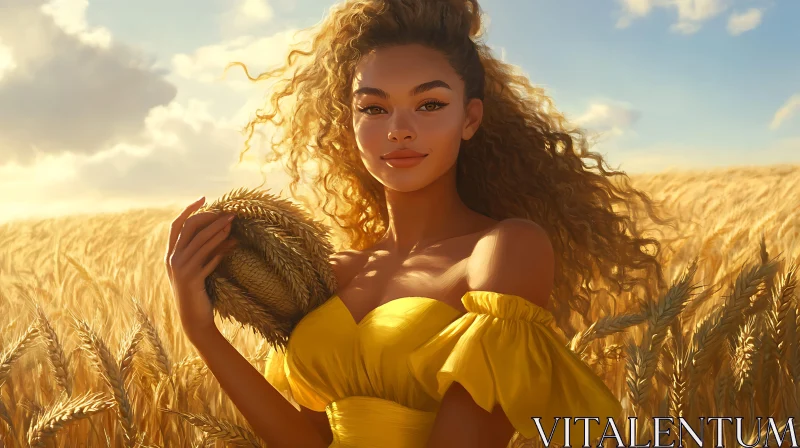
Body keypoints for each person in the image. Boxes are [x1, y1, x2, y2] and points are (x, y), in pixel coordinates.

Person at [164, 0, 680, 446]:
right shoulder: (335, 274)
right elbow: (308, 441)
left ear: (470, 118)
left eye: (429, 104)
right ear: (351, 122)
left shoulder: (503, 251)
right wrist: (202, 332)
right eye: (374, 108)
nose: (400, 131)